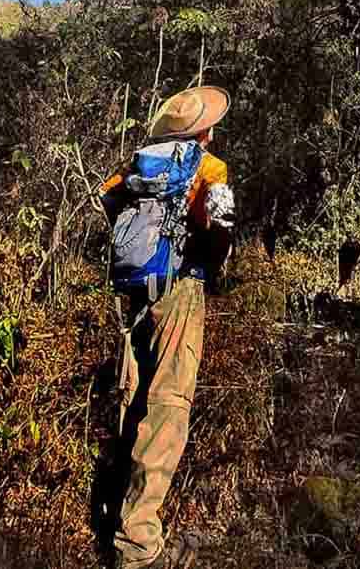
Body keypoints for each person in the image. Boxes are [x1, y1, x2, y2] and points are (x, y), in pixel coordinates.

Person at [99, 86, 235, 569]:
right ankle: (139, 546)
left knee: (132, 393)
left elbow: (107, 199)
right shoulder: (209, 167)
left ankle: (115, 503)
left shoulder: (138, 164)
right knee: (168, 407)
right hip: (180, 292)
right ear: (205, 130)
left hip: (135, 288)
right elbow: (221, 231)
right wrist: (211, 261)